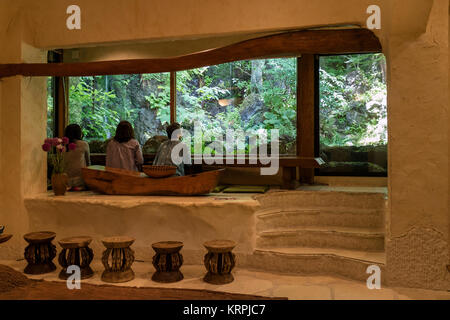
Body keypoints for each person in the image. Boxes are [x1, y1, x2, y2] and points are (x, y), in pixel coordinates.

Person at [63, 124, 91, 190]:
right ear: (79, 133)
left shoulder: (62, 146)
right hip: (80, 181)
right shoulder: (83, 144)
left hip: (66, 181)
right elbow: (88, 163)